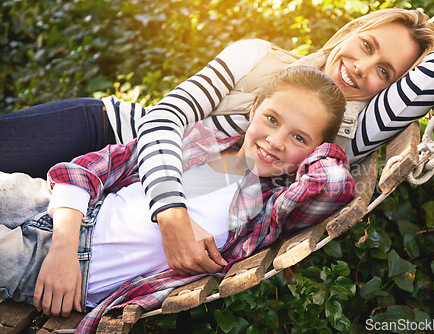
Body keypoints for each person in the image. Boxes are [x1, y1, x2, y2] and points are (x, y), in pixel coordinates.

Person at [0, 8, 434, 273]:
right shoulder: (256, 55)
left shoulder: (338, 137)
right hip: (108, 135)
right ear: (354, 31)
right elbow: (164, 118)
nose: (362, 68)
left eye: (384, 72)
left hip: (107, 209)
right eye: (368, 46)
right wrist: (172, 215)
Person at [0, 67, 355, 326]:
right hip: (56, 208)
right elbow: (89, 170)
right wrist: (63, 245)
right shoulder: (197, 138)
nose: (276, 141)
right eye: (272, 119)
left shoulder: (267, 209)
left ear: (317, 149)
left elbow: (334, 182)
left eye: (299, 138)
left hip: (65, 268)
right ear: (254, 108)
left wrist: (322, 151)